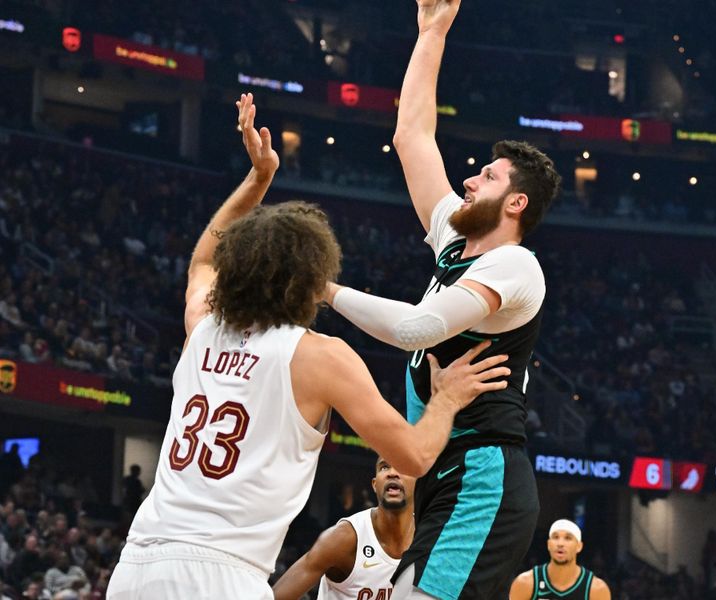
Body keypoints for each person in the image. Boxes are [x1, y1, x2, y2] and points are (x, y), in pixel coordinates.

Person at [105, 93, 511, 600]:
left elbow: (203, 259)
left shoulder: (203, 326)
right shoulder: (320, 355)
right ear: (313, 278)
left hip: (138, 564)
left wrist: (257, 180)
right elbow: (413, 456)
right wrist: (447, 398)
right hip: (223, 574)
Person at [323, 1, 562, 598]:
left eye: (487, 176)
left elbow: (418, 329)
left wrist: (324, 291)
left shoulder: (515, 265)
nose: (470, 179)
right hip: (443, 475)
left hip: (482, 476)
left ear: (516, 205)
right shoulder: (457, 240)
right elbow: (411, 135)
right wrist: (432, 33)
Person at [273, 456, 415, 600]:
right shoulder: (344, 538)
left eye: (402, 467)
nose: (392, 473)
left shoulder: (431, 539)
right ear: (374, 485)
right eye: (384, 467)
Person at [509, 520, 611, 600]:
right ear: (549, 544)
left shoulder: (596, 589)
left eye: (568, 538)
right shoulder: (525, 583)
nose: (560, 543)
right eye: (556, 537)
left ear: (579, 546)